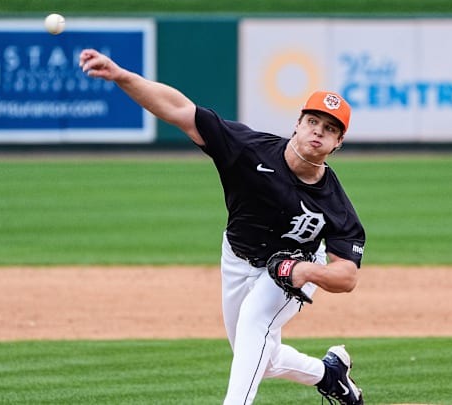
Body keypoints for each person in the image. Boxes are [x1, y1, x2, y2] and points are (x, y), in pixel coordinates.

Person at [79, 48, 366, 405]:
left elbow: (347, 276)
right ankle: (330, 373)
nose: (318, 133)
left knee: (253, 325)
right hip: (236, 257)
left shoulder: (334, 204)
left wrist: (303, 270)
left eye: (330, 129)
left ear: (338, 143)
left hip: (289, 268)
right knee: (259, 355)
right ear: (297, 122)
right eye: (313, 122)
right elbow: (180, 110)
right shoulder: (248, 150)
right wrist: (122, 76)